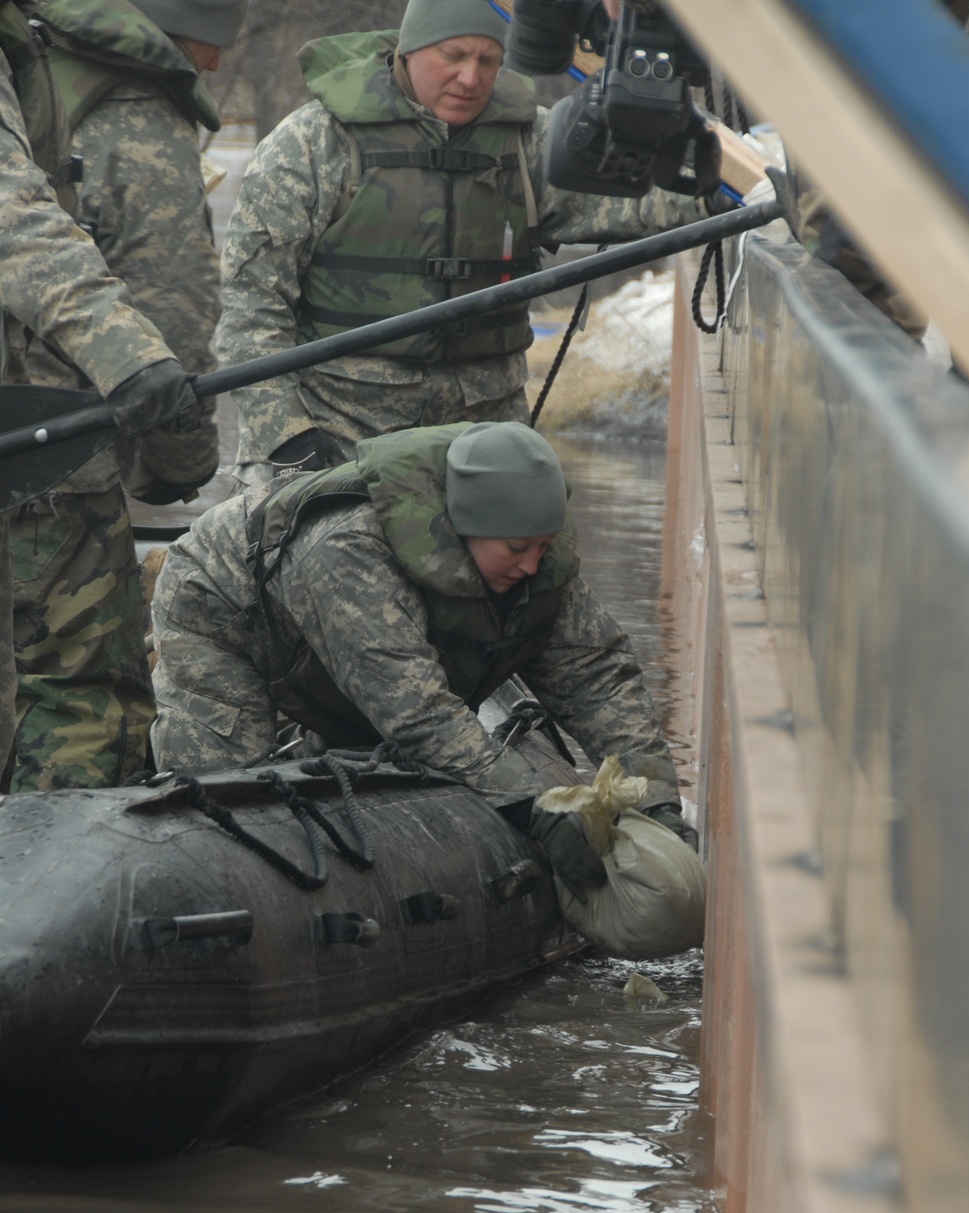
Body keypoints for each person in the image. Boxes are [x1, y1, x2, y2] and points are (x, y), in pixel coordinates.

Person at [150, 421, 695, 892]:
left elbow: (596, 678)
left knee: (359, 753)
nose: (532, 565)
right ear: (463, 526)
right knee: (223, 803)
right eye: (516, 549)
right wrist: (537, 809)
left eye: (543, 547)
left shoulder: (531, 557)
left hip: (353, 640)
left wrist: (655, 799)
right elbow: (416, 710)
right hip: (227, 608)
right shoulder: (348, 549)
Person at [217, 0, 710, 485]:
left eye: (488, 60)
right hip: (338, 430)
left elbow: (638, 202)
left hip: (484, 435)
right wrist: (284, 436)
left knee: (542, 559)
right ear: (409, 50)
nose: (471, 78)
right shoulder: (311, 143)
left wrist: (722, 187)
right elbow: (252, 305)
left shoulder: (531, 141)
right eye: (453, 56)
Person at [7, 0, 246, 793]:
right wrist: (178, 462)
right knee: (80, 686)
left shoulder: (33, 67)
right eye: (214, 47)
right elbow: (171, 302)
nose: (214, 67)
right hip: (50, 442)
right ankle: (55, 885)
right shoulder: (137, 110)